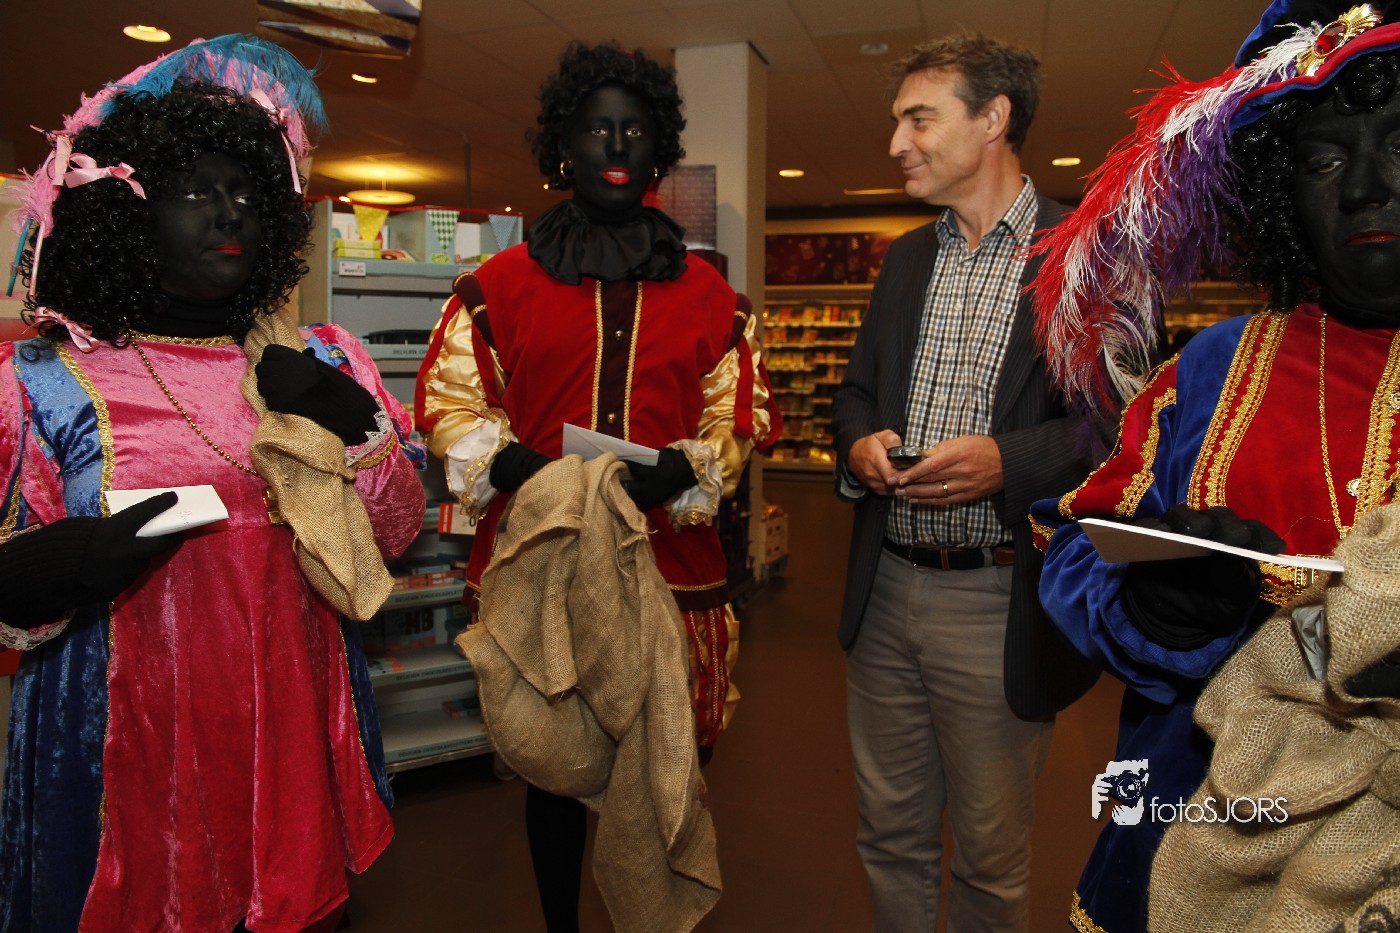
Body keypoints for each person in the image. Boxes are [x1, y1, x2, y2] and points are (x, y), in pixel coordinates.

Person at [0, 35, 426, 932]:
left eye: (247, 191)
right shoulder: (46, 380)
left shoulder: (323, 357)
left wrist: (349, 418)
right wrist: (58, 568)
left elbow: (394, 532)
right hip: (128, 754)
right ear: (128, 208)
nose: (230, 211)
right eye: (198, 190)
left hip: (292, 731)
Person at [1028, 2, 1400, 929]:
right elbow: (1073, 540)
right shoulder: (1210, 368)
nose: (1365, 188)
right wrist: (1150, 605)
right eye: (1324, 160)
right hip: (1187, 828)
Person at [415, 40, 777, 933]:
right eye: (596, 127)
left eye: (636, 129)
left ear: (660, 152)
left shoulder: (713, 297)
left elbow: (737, 418)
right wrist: (519, 467)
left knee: (666, 763)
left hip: (674, 572)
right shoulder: (494, 287)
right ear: (563, 145)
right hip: (542, 566)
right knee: (554, 769)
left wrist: (687, 470)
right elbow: (451, 404)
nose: (616, 144)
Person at [830, 33, 1104, 933]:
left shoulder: (1087, 257)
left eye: (919, 119)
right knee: (889, 836)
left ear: (993, 119)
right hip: (885, 588)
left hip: (997, 599)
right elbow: (855, 392)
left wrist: (1006, 463)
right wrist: (859, 444)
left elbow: (1118, 430)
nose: (897, 143)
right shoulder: (907, 257)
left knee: (989, 856)